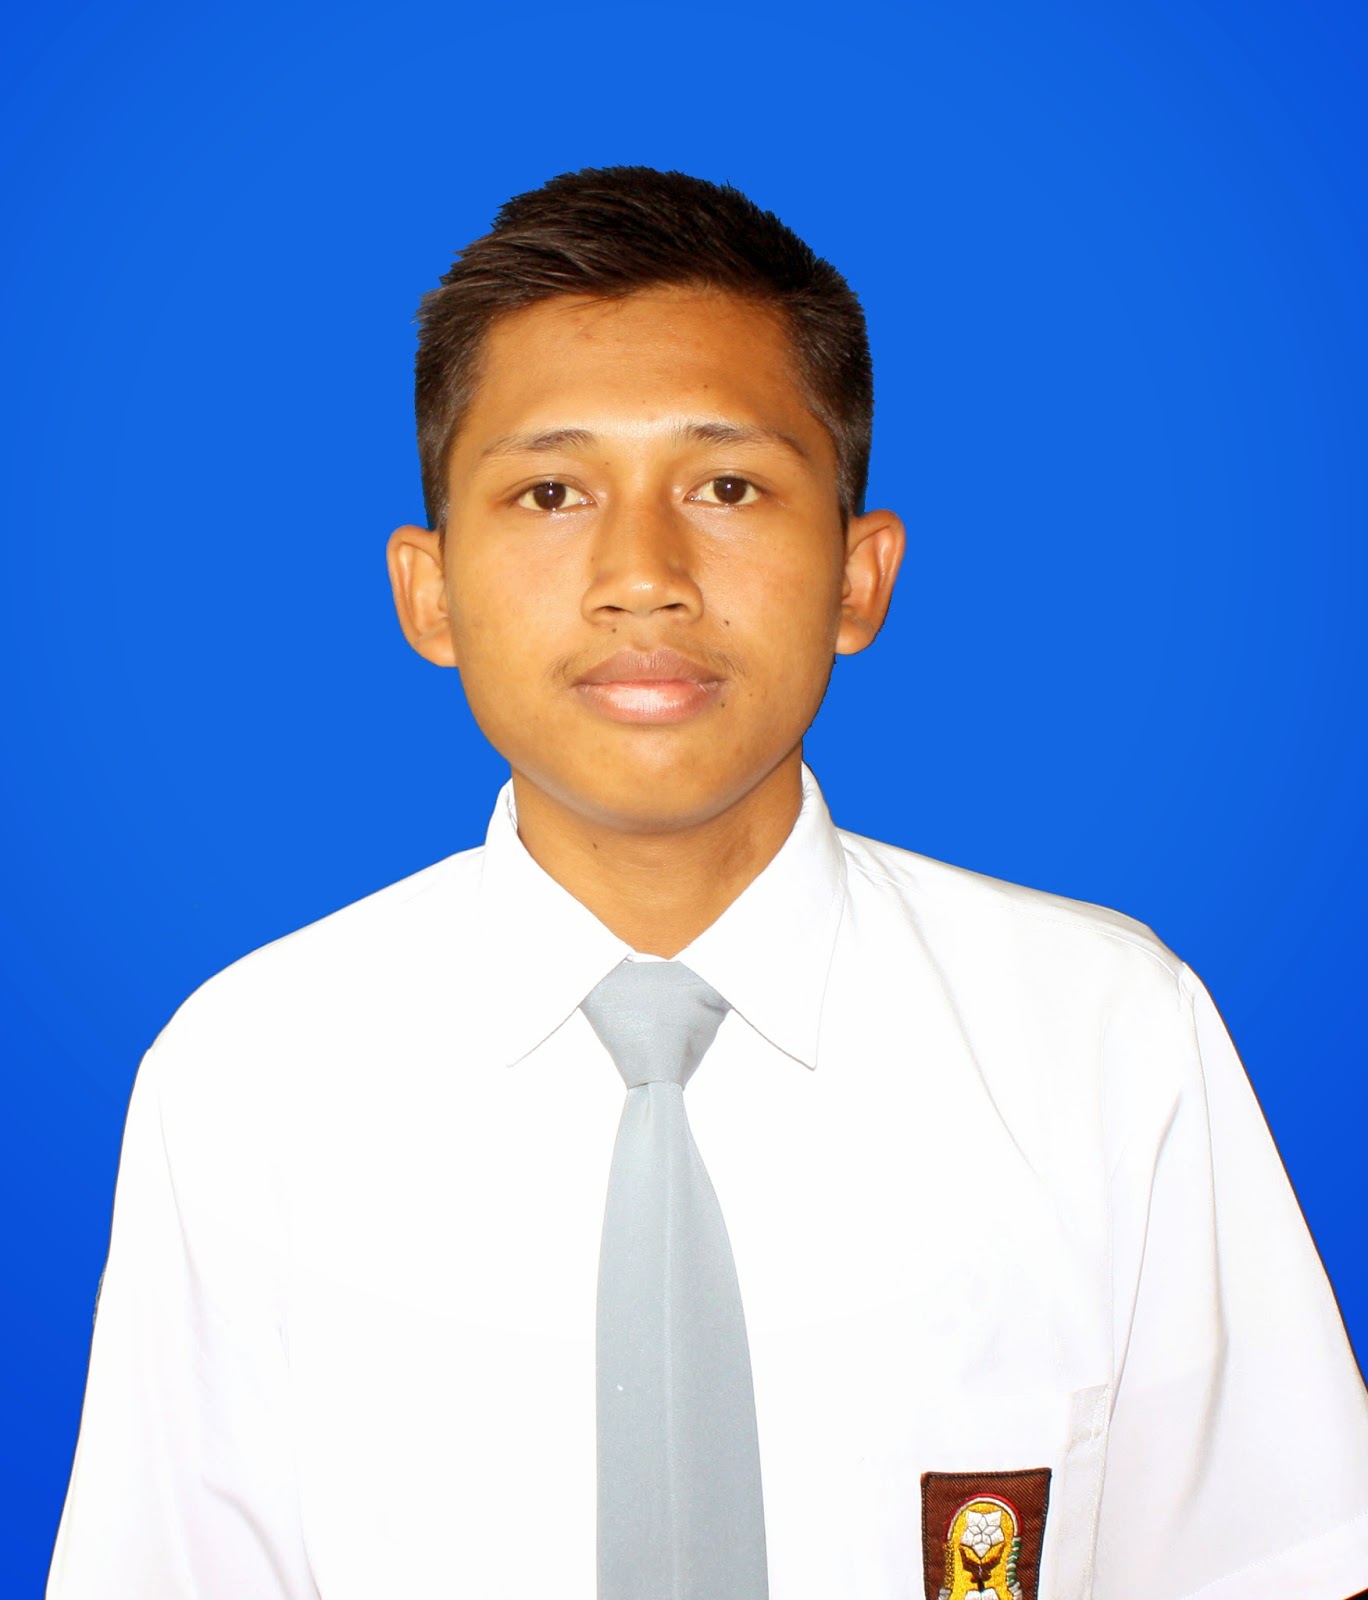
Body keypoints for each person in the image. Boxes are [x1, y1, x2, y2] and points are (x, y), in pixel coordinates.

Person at [47, 166, 1368, 1600]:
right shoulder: (245, 1082)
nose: (643, 576)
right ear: (429, 591)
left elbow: (1280, 1566)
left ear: (859, 577)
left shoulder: (1109, 1039)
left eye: (727, 487)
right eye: (551, 492)